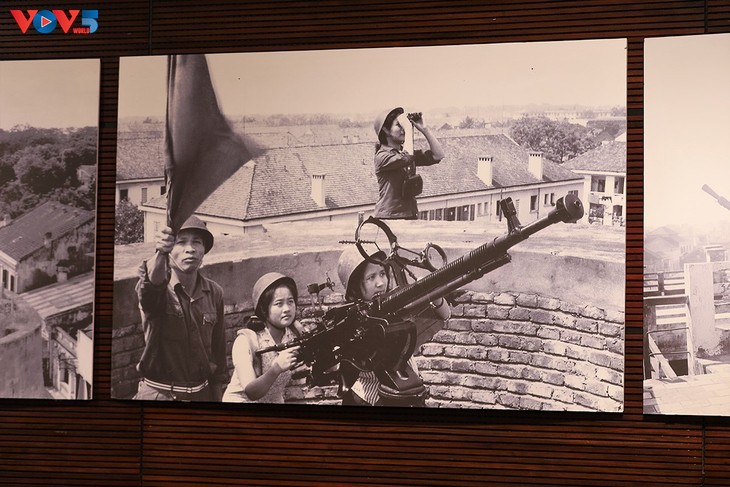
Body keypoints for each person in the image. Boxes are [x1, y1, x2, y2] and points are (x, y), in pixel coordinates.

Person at [336, 246, 450, 406]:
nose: (380, 283)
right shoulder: (349, 322)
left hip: (406, 391)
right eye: (371, 277)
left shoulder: (392, 303)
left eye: (382, 273)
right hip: (368, 399)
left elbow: (444, 315)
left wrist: (434, 293)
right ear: (355, 287)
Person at [133, 215, 227, 401]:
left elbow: (219, 353)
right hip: (161, 395)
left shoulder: (214, 292)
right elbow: (151, 285)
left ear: (204, 249)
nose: (190, 249)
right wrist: (161, 252)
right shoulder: (159, 290)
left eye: (197, 242)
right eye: (181, 242)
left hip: (202, 395)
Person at [222, 273, 303, 403]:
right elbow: (251, 392)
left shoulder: (294, 333)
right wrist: (277, 367)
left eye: (290, 301)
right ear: (264, 309)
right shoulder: (246, 341)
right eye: (279, 304)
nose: (287, 309)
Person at [373, 107, 445, 220]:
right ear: (386, 130)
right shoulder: (382, 156)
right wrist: (407, 128)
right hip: (389, 217)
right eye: (399, 125)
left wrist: (424, 129)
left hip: (409, 215)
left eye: (404, 126)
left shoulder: (404, 152)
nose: (403, 129)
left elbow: (438, 155)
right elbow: (407, 157)